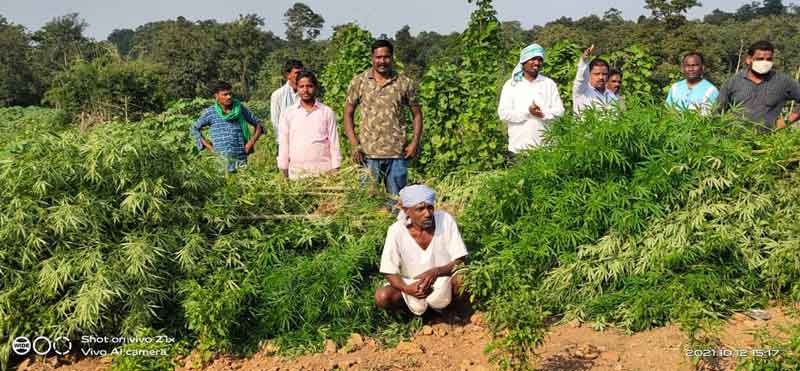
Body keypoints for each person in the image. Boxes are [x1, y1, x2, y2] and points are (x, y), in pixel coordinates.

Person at [344, 40, 423, 210]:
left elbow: (417, 114)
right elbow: (348, 114)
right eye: (378, 57)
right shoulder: (360, 81)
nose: (382, 61)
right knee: (366, 203)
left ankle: (396, 234)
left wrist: (414, 143)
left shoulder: (404, 83)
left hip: (397, 153)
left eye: (386, 57)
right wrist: (355, 145)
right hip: (367, 154)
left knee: (397, 204)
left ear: (392, 58)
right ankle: (367, 234)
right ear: (372, 58)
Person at [374, 185, 468, 315]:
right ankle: (413, 316)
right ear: (406, 210)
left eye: (430, 207)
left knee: (463, 278)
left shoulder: (445, 220)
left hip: (443, 280)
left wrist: (437, 271)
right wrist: (406, 288)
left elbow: (461, 260)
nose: (428, 214)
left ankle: (454, 312)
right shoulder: (396, 231)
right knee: (382, 296)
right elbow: (388, 270)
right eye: (420, 209)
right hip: (412, 285)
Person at [497, 43, 565, 154]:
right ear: (523, 61)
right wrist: (528, 113)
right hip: (519, 149)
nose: (537, 63)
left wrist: (542, 114)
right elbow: (503, 114)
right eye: (533, 59)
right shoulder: (511, 85)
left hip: (546, 149)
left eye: (540, 59)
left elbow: (560, 111)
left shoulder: (548, 84)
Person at [718, 40, 800, 131]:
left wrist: (786, 121)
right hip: (735, 140)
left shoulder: (783, 81)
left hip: (768, 141)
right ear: (749, 60)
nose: (765, 62)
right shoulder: (733, 82)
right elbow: (717, 111)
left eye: (769, 59)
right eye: (760, 59)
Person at [277, 71, 341, 179]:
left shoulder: (326, 112)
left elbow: (334, 143)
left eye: (309, 86)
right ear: (296, 88)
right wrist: (283, 170)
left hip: (324, 175)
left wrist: (336, 168)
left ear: (315, 87)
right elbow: (284, 144)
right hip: (297, 175)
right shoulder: (289, 113)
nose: (305, 90)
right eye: (301, 86)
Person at [190, 81, 264, 172]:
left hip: (240, 157)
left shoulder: (239, 108)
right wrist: (210, 148)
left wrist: (250, 143)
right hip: (221, 160)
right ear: (216, 96)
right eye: (225, 94)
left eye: (230, 94)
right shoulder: (210, 112)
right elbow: (194, 128)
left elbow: (258, 124)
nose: (229, 97)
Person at [572, 45, 618, 115]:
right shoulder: (582, 91)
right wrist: (584, 61)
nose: (601, 77)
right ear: (589, 74)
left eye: (604, 74)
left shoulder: (612, 96)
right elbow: (581, 79)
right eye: (596, 74)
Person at [270, 59, 304, 142]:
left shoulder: (306, 94)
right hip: (285, 142)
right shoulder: (278, 95)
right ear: (288, 75)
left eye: (302, 73)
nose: (301, 76)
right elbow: (276, 122)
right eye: (297, 73)